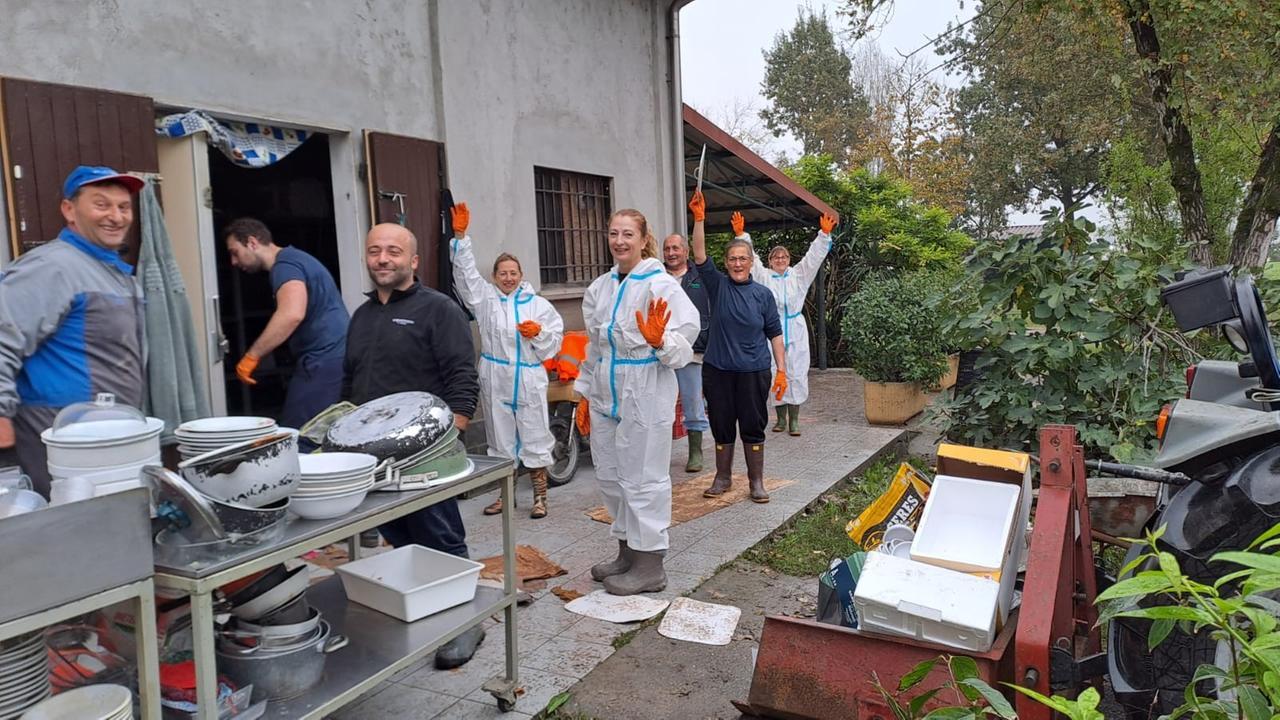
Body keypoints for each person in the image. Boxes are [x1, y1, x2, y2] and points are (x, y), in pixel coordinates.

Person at [343, 222, 484, 668]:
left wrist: (450, 439)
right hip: (372, 459)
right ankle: (426, 609)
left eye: (393, 251)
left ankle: (467, 623)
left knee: (439, 536)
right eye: (374, 251)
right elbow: (352, 381)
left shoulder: (439, 310)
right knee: (399, 539)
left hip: (425, 455)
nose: (382, 259)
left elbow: (463, 377)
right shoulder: (362, 316)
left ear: (413, 261)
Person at [0, 166, 146, 498]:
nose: (116, 216)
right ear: (70, 210)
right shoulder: (53, 267)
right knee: (67, 532)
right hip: (58, 435)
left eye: (123, 207)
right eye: (101, 204)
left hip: (104, 433)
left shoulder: (116, 273)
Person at [576, 208, 700, 596]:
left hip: (645, 387)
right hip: (606, 390)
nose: (619, 241)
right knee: (611, 475)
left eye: (628, 234)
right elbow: (594, 346)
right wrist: (584, 393)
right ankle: (627, 552)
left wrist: (661, 340)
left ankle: (650, 566)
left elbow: (685, 344)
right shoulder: (601, 287)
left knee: (643, 476)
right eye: (613, 233)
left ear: (644, 239)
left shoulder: (660, 285)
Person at [449, 202, 564, 518]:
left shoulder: (537, 305)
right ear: (495, 276)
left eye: (513, 273)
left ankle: (540, 496)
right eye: (503, 273)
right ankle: (505, 495)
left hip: (527, 376)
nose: (508, 278)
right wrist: (461, 239)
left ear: (521, 275)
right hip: (495, 375)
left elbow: (554, 341)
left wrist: (538, 333)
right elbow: (466, 277)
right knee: (499, 438)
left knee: (535, 433)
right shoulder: (485, 300)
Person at [688, 191, 787, 503]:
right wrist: (699, 219)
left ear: (751, 262)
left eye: (743, 258)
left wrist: (782, 370)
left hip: (754, 371)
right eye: (732, 258)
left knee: (753, 425)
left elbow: (775, 334)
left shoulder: (763, 295)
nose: (737, 263)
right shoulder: (717, 286)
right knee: (721, 425)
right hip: (718, 371)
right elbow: (700, 254)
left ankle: (756, 482)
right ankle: (723, 477)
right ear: (727, 262)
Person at [223, 218, 348, 432]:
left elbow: (291, 313)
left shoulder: (285, 266)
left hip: (324, 360)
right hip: (331, 357)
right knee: (322, 430)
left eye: (235, 252)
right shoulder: (296, 259)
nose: (233, 261)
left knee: (298, 435)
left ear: (252, 243)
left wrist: (252, 356)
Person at [732, 211, 837, 436]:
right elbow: (753, 260)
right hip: (771, 330)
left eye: (784, 256)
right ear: (771, 261)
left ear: (788, 260)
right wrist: (742, 235)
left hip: (795, 329)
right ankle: (780, 419)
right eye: (775, 257)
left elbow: (812, 259)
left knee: (796, 372)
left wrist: (823, 235)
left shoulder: (798, 276)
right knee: (773, 370)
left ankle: (795, 420)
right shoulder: (764, 277)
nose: (780, 260)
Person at [662, 233, 712, 473]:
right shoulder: (656, 278)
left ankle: (695, 451)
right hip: (661, 350)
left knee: (692, 400)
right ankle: (659, 454)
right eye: (667, 249)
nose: (671, 253)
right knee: (660, 403)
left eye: (676, 248)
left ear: (686, 252)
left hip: (692, 350)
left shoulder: (699, 276)